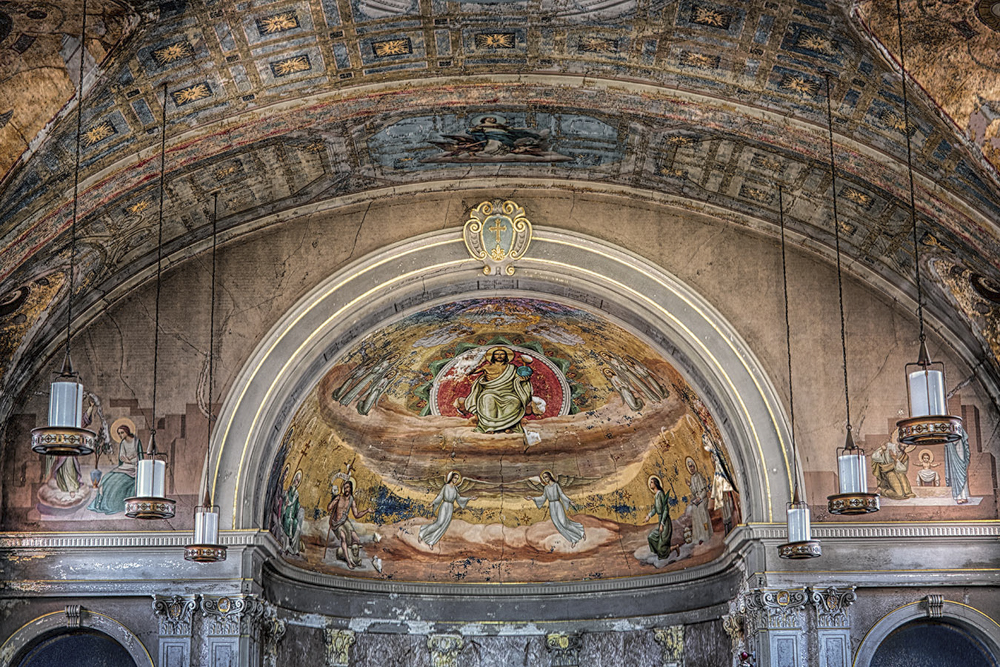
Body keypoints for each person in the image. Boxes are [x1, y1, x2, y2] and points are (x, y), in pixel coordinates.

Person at [458, 347, 535, 433]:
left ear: (506, 356)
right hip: (489, 391)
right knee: (487, 398)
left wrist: (522, 380)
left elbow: (518, 379)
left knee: (515, 401)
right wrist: (469, 370)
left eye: (501, 354)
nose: (499, 356)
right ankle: (489, 428)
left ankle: (509, 427)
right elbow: (473, 372)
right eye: (496, 354)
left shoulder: (512, 368)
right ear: (492, 356)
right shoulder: (487, 366)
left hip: (508, 392)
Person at [88, 422, 144, 515]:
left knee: (117, 482)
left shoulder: (136, 441)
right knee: (107, 478)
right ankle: (101, 503)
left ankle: (112, 505)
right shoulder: (123, 443)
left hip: (134, 467)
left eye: (122, 432)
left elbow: (140, 456)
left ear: (127, 431)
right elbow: (122, 456)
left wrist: (131, 461)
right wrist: (126, 459)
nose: (120, 435)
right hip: (124, 466)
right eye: (119, 433)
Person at [527, 470, 585, 547]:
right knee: (558, 525)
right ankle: (573, 539)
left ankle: (581, 533)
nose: (545, 479)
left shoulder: (556, 485)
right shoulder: (546, 488)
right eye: (543, 478)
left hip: (557, 504)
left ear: (549, 476)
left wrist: (569, 501)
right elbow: (543, 498)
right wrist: (532, 498)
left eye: (546, 477)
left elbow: (561, 494)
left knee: (564, 523)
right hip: (551, 506)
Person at [419, 471, 474, 547]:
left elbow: (459, 498)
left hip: (450, 507)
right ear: (451, 478)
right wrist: (432, 503)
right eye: (455, 478)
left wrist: (469, 498)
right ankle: (422, 534)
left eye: (457, 479)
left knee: (444, 526)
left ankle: (431, 541)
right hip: (445, 505)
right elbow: (440, 496)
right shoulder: (446, 486)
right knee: (439, 523)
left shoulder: (455, 489)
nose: (456, 480)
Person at [327, 480, 372, 567]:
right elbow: (329, 508)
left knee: (357, 539)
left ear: (351, 488)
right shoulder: (339, 497)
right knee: (343, 537)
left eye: (347, 487)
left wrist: (367, 511)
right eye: (344, 487)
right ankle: (348, 561)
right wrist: (334, 500)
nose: (346, 489)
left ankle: (352, 557)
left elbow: (356, 515)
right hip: (336, 523)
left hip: (345, 521)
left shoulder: (351, 500)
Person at [645, 475, 674, 559]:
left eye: (651, 482)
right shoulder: (656, 495)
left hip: (665, 521)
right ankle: (661, 553)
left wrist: (662, 523)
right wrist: (649, 516)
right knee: (651, 537)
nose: (650, 484)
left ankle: (674, 548)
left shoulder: (660, 494)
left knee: (661, 547)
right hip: (660, 519)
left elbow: (665, 509)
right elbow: (655, 508)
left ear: (656, 484)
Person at [685, 457, 713, 544]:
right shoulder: (692, 478)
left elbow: (704, 491)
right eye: (689, 467)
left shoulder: (699, 476)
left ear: (694, 466)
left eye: (692, 466)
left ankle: (706, 534)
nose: (691, 468)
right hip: (698, 499)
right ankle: (699, 535)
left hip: (703, 499)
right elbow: (694, 492)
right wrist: (690, 485)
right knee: (694, 509)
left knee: (701, 510)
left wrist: (700, 498)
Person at [944, 429, 971, 504]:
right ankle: (958, 496)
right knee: (955, 476)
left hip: (961, 456)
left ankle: (964, 496)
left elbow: (964, 442)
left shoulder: (960, 431)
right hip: (954, 456)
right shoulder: (948, 432)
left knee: (963, 475)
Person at [281, 470, 304, 554]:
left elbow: (297, 505)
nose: (296, 482)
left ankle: (295, 549)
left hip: (293, 517)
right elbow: (284, 502)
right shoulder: (288, 490)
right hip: (286, 515)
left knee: (297, 528)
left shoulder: (297, 494)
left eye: (298, 481)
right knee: (287, 524)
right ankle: (286, 547)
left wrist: (299, 507)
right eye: (295, 480)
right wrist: (285, 505)